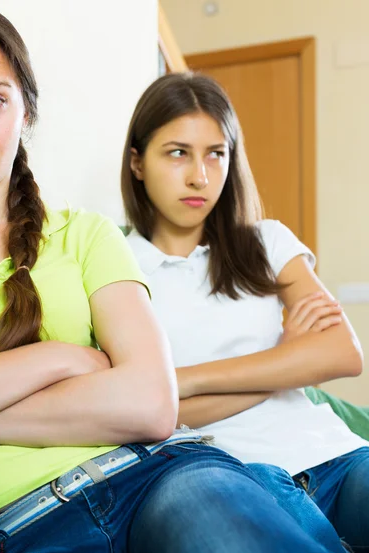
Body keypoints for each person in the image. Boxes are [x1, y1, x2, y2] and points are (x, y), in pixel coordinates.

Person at [0, 4, 346, 552]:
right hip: (12, 528)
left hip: (164, 477)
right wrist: (56, 359)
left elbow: (152, 404)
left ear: (25, 113)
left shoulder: (88, 235)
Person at [122, 71, 369, 552]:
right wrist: (287, 357)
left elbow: (343, 353)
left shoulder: (267, 241)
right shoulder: (117, 266)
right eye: (178, 153)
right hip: (228, 480)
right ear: (137, 162)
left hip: (335, 456)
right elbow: (147, 415)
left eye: (216, 154)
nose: (200, 176)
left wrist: (186, 380)